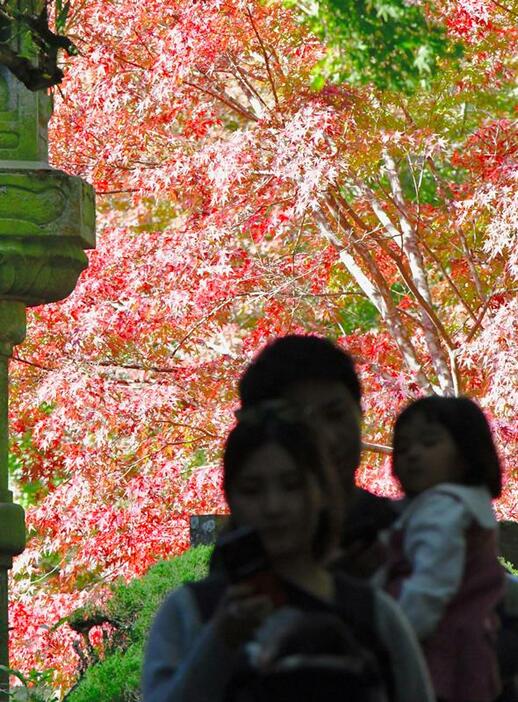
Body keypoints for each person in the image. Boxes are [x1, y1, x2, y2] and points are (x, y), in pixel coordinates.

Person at [142, 412, 434, 702]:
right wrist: (219, 642)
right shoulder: (190, 612)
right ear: (231, 497)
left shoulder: (373, 613)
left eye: (291, 485)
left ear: (321, 494)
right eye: (252, 490)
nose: (273, 506)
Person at [238, 334, 397, 576]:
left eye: (336, 415)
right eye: (303, 421)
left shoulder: (405, 531)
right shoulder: (244, 555)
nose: (327, 438)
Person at [383, 395, 505, 702]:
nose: (412, 454)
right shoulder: (470, 506)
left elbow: (431, 586)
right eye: (403, 447)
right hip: (470, 654)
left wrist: (390, 637)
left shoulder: (443, 509)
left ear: (465, 453)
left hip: (434, 658)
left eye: (428, 443)